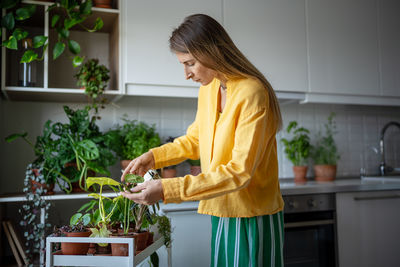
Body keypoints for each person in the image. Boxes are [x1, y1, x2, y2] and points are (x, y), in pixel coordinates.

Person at [121, 14, 284, 267]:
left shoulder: (252, 92)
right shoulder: (209, 89)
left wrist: (167, 189)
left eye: (190, 63)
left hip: (253, 214)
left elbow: (239, 173)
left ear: (211, 52)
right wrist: (153, 157)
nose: (186, 74)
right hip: (221, 209)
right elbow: (195, 140)